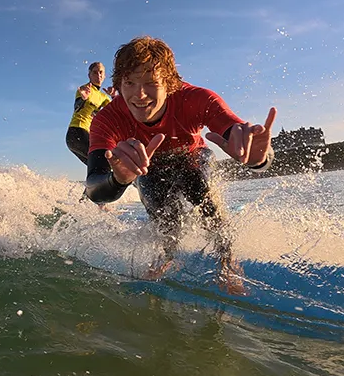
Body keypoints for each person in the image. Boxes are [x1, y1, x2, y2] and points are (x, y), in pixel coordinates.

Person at [84, 36, 276, 296]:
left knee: (203, 193)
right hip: (148, 167)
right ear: (118, 84)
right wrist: (118, 179)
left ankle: (227, 260)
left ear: (170, 83)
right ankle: (167, 257)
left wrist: (258, 159)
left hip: (192, 156)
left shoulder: (196, 98)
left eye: (151, 83)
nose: (139, 95)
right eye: (129, 83)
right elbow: (95, 188)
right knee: (165, 219)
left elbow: (237, 132)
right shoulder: (107, 118)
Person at [65, 61, 115, 165]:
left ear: (105, 75)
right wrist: (83, 99)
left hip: (86, 135)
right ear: (89, 75)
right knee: (104, 162)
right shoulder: (84, 89)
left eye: (101, 72)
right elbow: (77, 107)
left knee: (96, 166)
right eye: (95, 72)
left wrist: (114, 96)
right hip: (77, 132)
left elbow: (115, 113)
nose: (98, 75)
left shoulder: (104, 97)